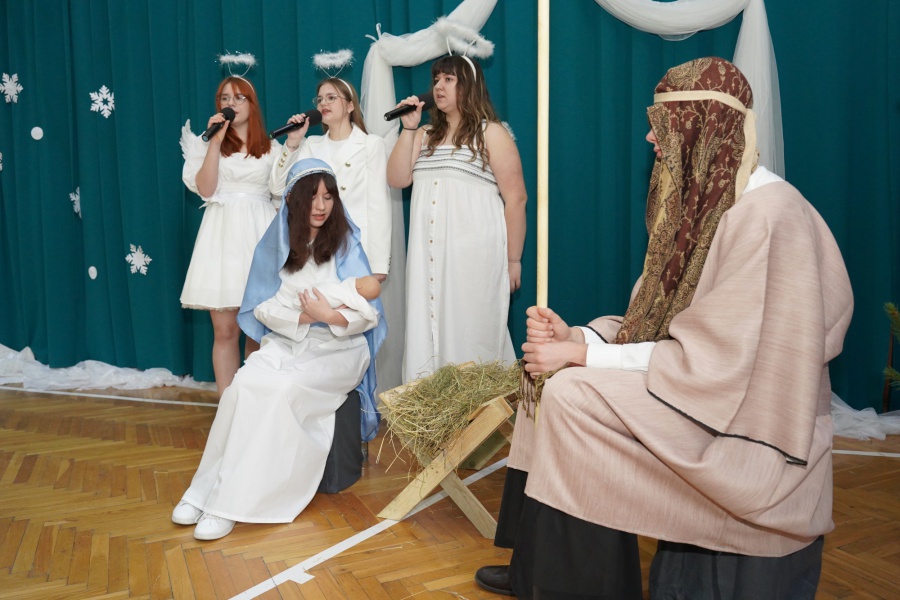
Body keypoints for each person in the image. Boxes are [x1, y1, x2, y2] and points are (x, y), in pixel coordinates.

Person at [474, 57, 853, 599]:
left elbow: (717, 360)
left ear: (703, 127)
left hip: (741, 420)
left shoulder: (768, 216)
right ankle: (540, 565)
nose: (651, 137)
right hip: (702, 388)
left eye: (664, 125)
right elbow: (658, 323)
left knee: (573, 396)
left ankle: (582, 586)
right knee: (546, 381)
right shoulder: (708, 202)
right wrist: (579, 337)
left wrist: (584, 358)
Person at [171, 158, 386, 540]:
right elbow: (261, 307)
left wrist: (327, 316)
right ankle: (202, 492)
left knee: (282, 390)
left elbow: (368, 313)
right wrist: (304, 317)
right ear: (292, 199)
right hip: (287, 341)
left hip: (341, 349)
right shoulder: (276, 246)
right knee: (241, 387)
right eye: (312, 197)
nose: (320, 205)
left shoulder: (346, 244)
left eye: (328, 197)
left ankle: (230, 504)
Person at [387, 55, 527, 382]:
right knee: (428, 326)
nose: (439, 86)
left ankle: (481, 408)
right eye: (436, 79)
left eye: (449, 79)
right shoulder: (423, 135)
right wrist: (408, 129)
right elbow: (397, 178)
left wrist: (513, 260)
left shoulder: (491, 133)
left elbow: (516, 199)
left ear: (469, 86)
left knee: (472, 330)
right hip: (428, 258)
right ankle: (433, 407)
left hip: (473, 257)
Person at [180, 76, 281, 396]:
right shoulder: (207, 143)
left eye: (239, 98)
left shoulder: (272, 148)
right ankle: (227, 406)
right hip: (221, 237)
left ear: (252, 104)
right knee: (224, 330)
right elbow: (206, 189)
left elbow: (281, 193)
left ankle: (254, 402)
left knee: (258, 330)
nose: (231, 104)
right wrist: (214, 142)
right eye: (225, 98)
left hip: (259, 235)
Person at [271, 78, 391, 283]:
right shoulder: (311, 145)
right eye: (320, 100)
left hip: (357, 244)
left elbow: (379, 205)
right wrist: (293, 141)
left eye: (331, 98)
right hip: (317, 245)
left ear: (350, 105)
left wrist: (378, 263)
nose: (323, 104)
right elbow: (278, 188)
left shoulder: (370, 144)